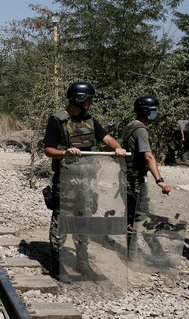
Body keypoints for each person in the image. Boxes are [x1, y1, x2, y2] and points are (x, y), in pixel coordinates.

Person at [43, 82, 126, 281]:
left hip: (88, 181)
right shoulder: (57, 120)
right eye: (89, 99)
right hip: (66, 180)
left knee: (84, 221)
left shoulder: (90, 120)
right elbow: (48, 149)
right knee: (62, 219)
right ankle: (57, 263)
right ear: (79, 99)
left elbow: (107, 138)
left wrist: (117, 148)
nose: (91, 103)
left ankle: (82, 262)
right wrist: (65, 153)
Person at [122, 95, 172, 257]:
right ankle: (157, 255)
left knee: (134, 216)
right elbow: (148, 156)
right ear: (146, 111)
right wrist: (160, 181)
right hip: (135, 180)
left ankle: (133, 253)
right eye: (153, 110)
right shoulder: (141, 130)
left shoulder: (130, 126)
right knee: (144, 217)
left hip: (127, 178)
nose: (155, 113)